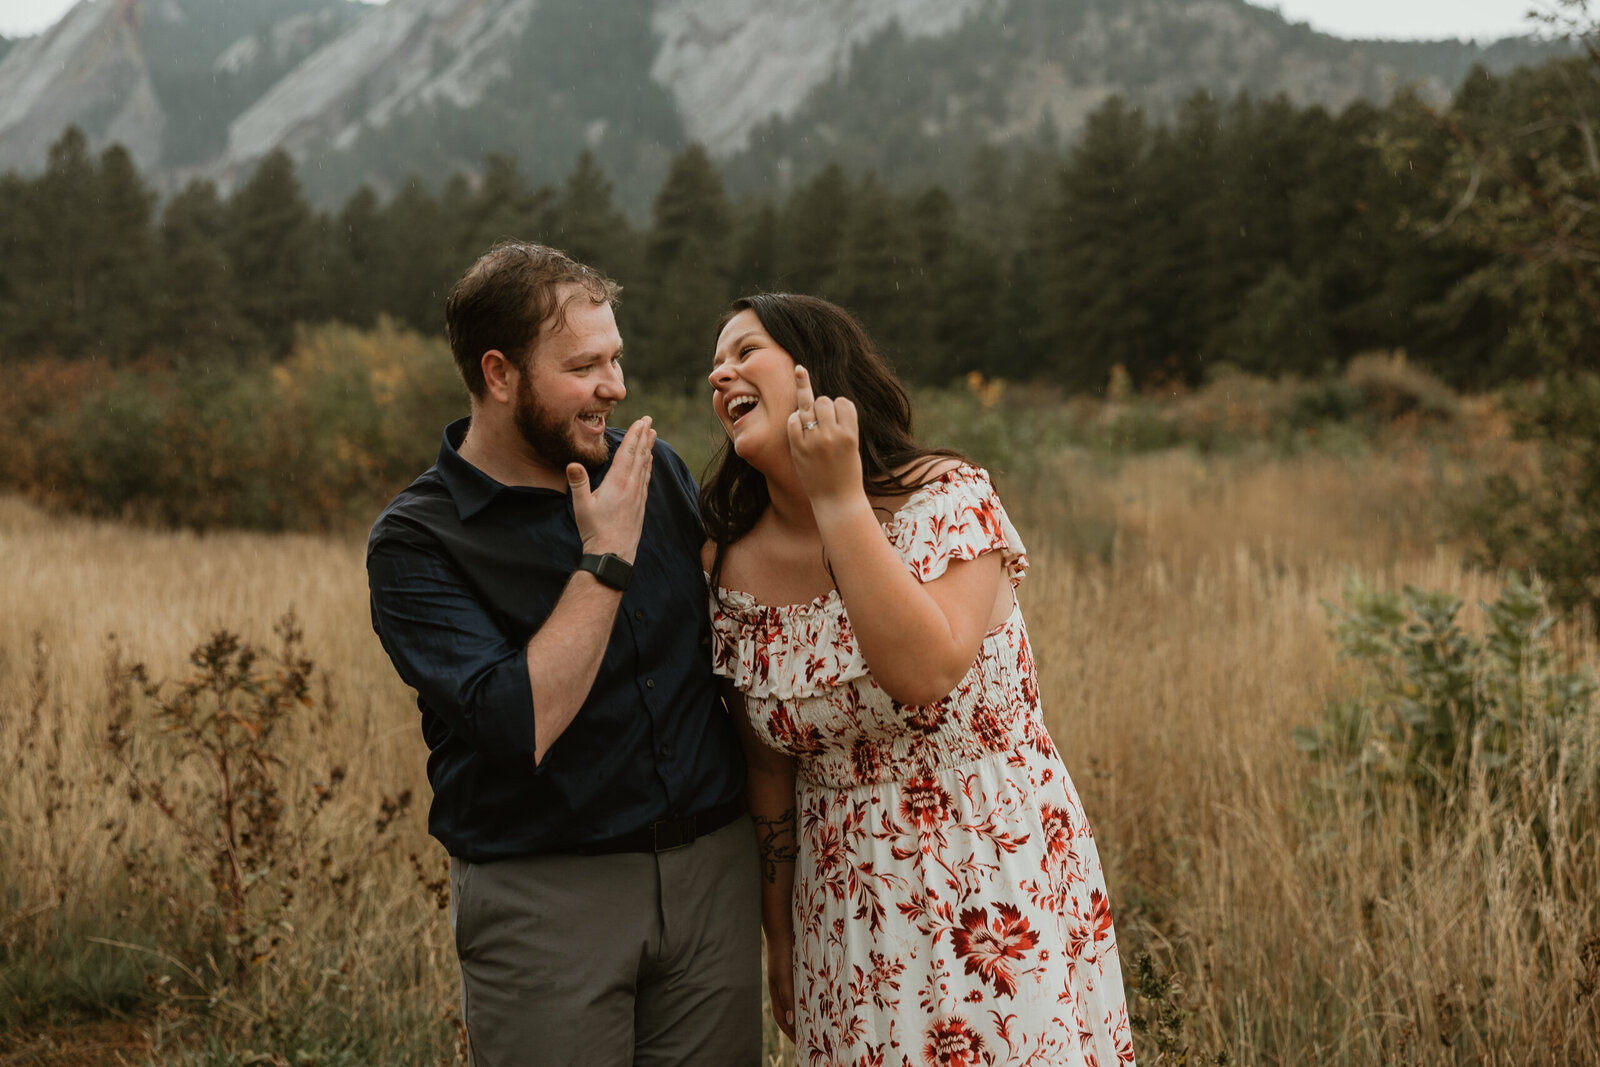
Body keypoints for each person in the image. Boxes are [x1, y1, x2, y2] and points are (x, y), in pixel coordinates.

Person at [702, 293, 1135, 1066]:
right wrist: (780, 936)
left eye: (744, 350)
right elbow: (767, 768)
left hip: (995, 885)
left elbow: (923, 672)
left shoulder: (948, 500)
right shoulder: (731, 567)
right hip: (848, 920)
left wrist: (836, 497)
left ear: (815, 370)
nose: (719, 371)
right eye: (715, 362)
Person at [366, 242, 760, 1066]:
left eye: (615, 358)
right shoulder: (418, 540)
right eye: (584, 366)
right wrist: (604, 560)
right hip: (547, 901)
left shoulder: (655, 472)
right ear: (500, 373)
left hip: (711, 884)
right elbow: (521, 723)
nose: (614, 387)